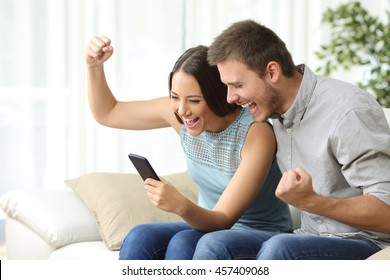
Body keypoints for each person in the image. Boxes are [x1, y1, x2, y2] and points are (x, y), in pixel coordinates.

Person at [193, 19, 390, 260]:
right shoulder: (272, 111)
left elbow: (387, 211)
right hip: (308, 236)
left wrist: (312, 202)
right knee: (215, 243)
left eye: (237, 85)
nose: (230, 97)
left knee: (280, 249)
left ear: (272, 72)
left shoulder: (348, 111)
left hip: (366, 242)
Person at [85, 36, 292, 260]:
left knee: (185, 241)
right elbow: (108, 113)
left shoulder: (256, 133)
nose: (182, 110)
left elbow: (223, 218)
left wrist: (181, 205)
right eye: (175, 97)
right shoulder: (180, 116)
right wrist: (94, 67)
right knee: (140, 236)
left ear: (219, 96)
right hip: (207, 227)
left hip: (259, 234)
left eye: (194, 100)